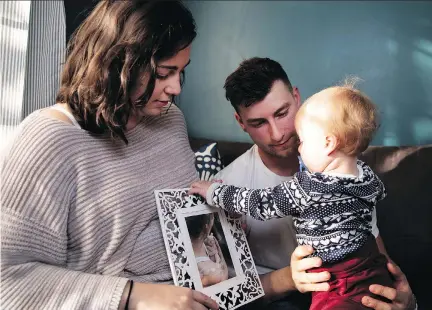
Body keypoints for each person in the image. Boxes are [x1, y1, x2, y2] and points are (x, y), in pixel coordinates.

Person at [0, 1, 219, 310]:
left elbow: (178, 218)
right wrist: (131, 295)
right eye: (164, 72)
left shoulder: (171, 120)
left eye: (181, 72)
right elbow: (7, 278)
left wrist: (219, 219)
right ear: (119, 62)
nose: (174, 88)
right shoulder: (49, 139)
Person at [196, 58, 416, 310]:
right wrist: (286, 279)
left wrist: (408, 303)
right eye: (259, 123)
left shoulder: (345, 168)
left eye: (282, 113)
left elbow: (375, 252)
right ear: (240, 122)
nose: (277, 134)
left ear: (297, 98)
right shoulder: (229, 185)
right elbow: (220, 294)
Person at [186, 213, 229, 287]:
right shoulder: (216, 274)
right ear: (206, 226)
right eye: (212, 219)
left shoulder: (207, 242)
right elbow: (224, 277)